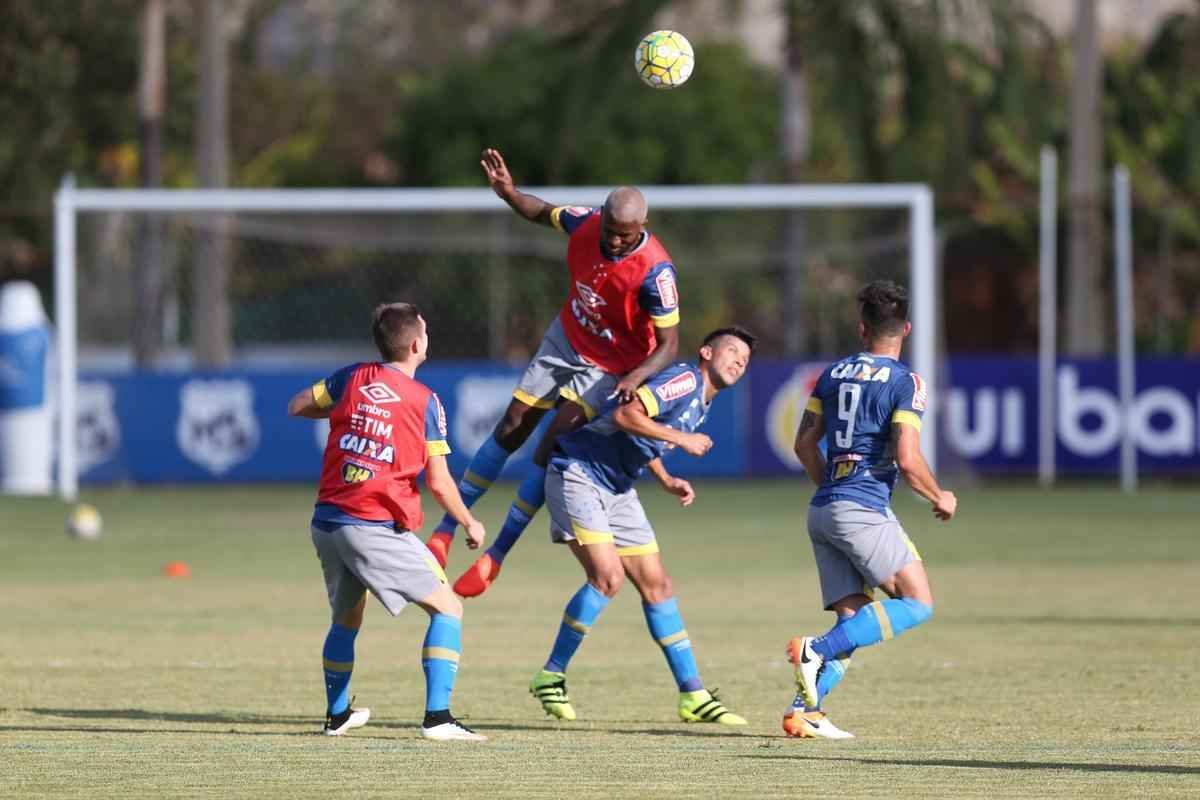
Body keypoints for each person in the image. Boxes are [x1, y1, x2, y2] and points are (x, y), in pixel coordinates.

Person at [426, 148, 682, 598]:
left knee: (552, 443)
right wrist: (509, 193)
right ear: (601, 217)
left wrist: (636, 376)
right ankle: (446, 531)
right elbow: (541, 211)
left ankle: (496, 555)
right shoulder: (586, 223)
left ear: (641, 229)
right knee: (511, 427)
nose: (615, 241)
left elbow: (670, 344)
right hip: (567, 336)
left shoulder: (656, 274)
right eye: (610, 231)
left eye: (625, 236)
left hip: (611, 367)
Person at [529, 327, 755, 726]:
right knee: (607, 577)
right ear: (706, 352)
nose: (739, 360)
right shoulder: (685, 379)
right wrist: (681, 439)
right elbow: (624, 414)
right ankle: (551, 675)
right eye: (732, 351)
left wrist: (665, 478)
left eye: (745, 359)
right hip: (579, 473)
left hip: (618, 487)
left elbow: (639, 436)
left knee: (658, 585)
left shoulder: (702, 401)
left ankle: (693, 695)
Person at [287, 302, 488, 741]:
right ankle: (439, 718)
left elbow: (298, 405)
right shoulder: (425, 402)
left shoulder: (351, 378)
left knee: (346, 621)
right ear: (417, 344)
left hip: (327, 523)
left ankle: (337, 715)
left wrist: (350, 412)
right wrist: (469, 522)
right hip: (371, 525)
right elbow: (438, 481)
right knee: (448, 608)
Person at [784, 280, 957, 740]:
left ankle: (804, 711)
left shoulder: (832, 374)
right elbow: (908, 458)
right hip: (862, 507)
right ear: (907, 330)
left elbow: (803, 443)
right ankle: (813, 650)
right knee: (917, 604)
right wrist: (939, 495)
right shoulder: (907, 383)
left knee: (854, 620)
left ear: (863, 330)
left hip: (823, 508)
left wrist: (833, 492)